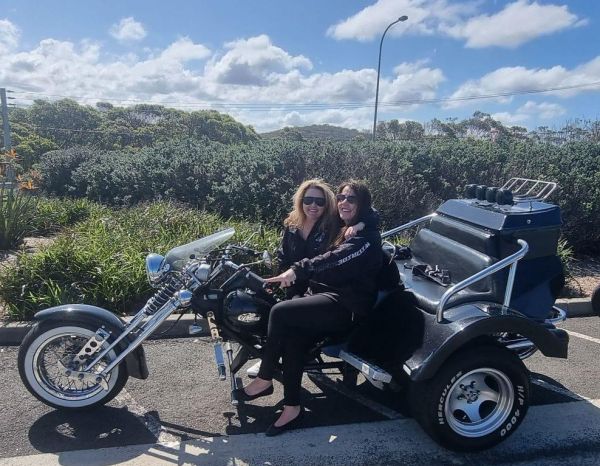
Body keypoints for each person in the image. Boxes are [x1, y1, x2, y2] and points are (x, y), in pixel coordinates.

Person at [235, 180, 382, 436]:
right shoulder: (345, 222)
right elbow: (372, 214)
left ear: (362, 205)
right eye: (342, 197)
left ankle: (265, 378)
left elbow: (334, 258)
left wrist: (297, 269)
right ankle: (293, 407)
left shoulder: (365, 240)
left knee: (280, 312)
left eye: (352, 199)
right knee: (293, 336)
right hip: (322, 295)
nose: (345, 202)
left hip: (347, 304)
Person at [245, 178, 376, 377]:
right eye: (308, 200)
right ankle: (272, 356)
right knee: (262, 304)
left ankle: (269, 365)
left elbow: (369, 213)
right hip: (295, 284)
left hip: (317, 287)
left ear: (327, 204)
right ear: (300, 201)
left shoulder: (333, 223)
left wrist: (362, 224)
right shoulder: (291, 225)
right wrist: (282, 277)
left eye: (320, 201)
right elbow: (284, 256)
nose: (313, 205)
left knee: (286, 318)